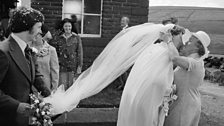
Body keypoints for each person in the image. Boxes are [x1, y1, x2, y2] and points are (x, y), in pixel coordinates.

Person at [0, 6, 51, 126]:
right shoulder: (3, 52)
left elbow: (36, 78)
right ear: (28, 27)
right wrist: (16, 106)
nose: (41, 32)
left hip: (25, 120)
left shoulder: (28, 50)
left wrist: (54, 99)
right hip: (6, 118)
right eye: (39, 27)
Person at [164, 31, 211, 126]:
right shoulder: (193, 61)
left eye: (190, 41)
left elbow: (174, 58)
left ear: (197, 47)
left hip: (185, 104)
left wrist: (168, 41)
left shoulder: (195, 63)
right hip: (183, 101)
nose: (186, 43)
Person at [55, 18, 83, 90]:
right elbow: (56, 52)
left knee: (71, 86)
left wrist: (79, 66)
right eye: (66, 26)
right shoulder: (59, 38)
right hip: (62, 65)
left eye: (69, 26)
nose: (68, 28)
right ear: (63, 27)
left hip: (73, 65)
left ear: (72, 27)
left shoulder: (76, 37)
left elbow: (79, 52)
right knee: (62, 85)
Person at [30, 24, 59, 93]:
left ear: (42, 35)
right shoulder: (26, 48)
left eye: (37, 34)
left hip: (45, 87)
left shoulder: (51, 50)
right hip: (30, 87)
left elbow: (55, 71)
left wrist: (54, 89)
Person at [117, 16, 131, 90]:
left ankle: (125, 85)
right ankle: (122, 84)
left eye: (123, 21)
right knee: (119, 69)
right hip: (120, 52)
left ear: (127, 22)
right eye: (121, 21)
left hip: (125, 52)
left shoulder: (128, 30)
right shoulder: (122, 30)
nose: (121, 22)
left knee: (123, 69)